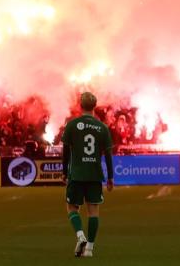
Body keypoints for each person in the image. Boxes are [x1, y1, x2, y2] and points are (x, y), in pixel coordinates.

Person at [60, 92, 114, 258]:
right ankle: (89, 249)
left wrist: (64, 172)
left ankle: (80, 235)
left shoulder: (72, 125)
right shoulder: (102, 127)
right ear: (95, 106)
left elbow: (65, 151)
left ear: (80, 105)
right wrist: (110, 177)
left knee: (71, 208)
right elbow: (108, 155)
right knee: (93, 211)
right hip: (94, 174)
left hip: (76, 174)